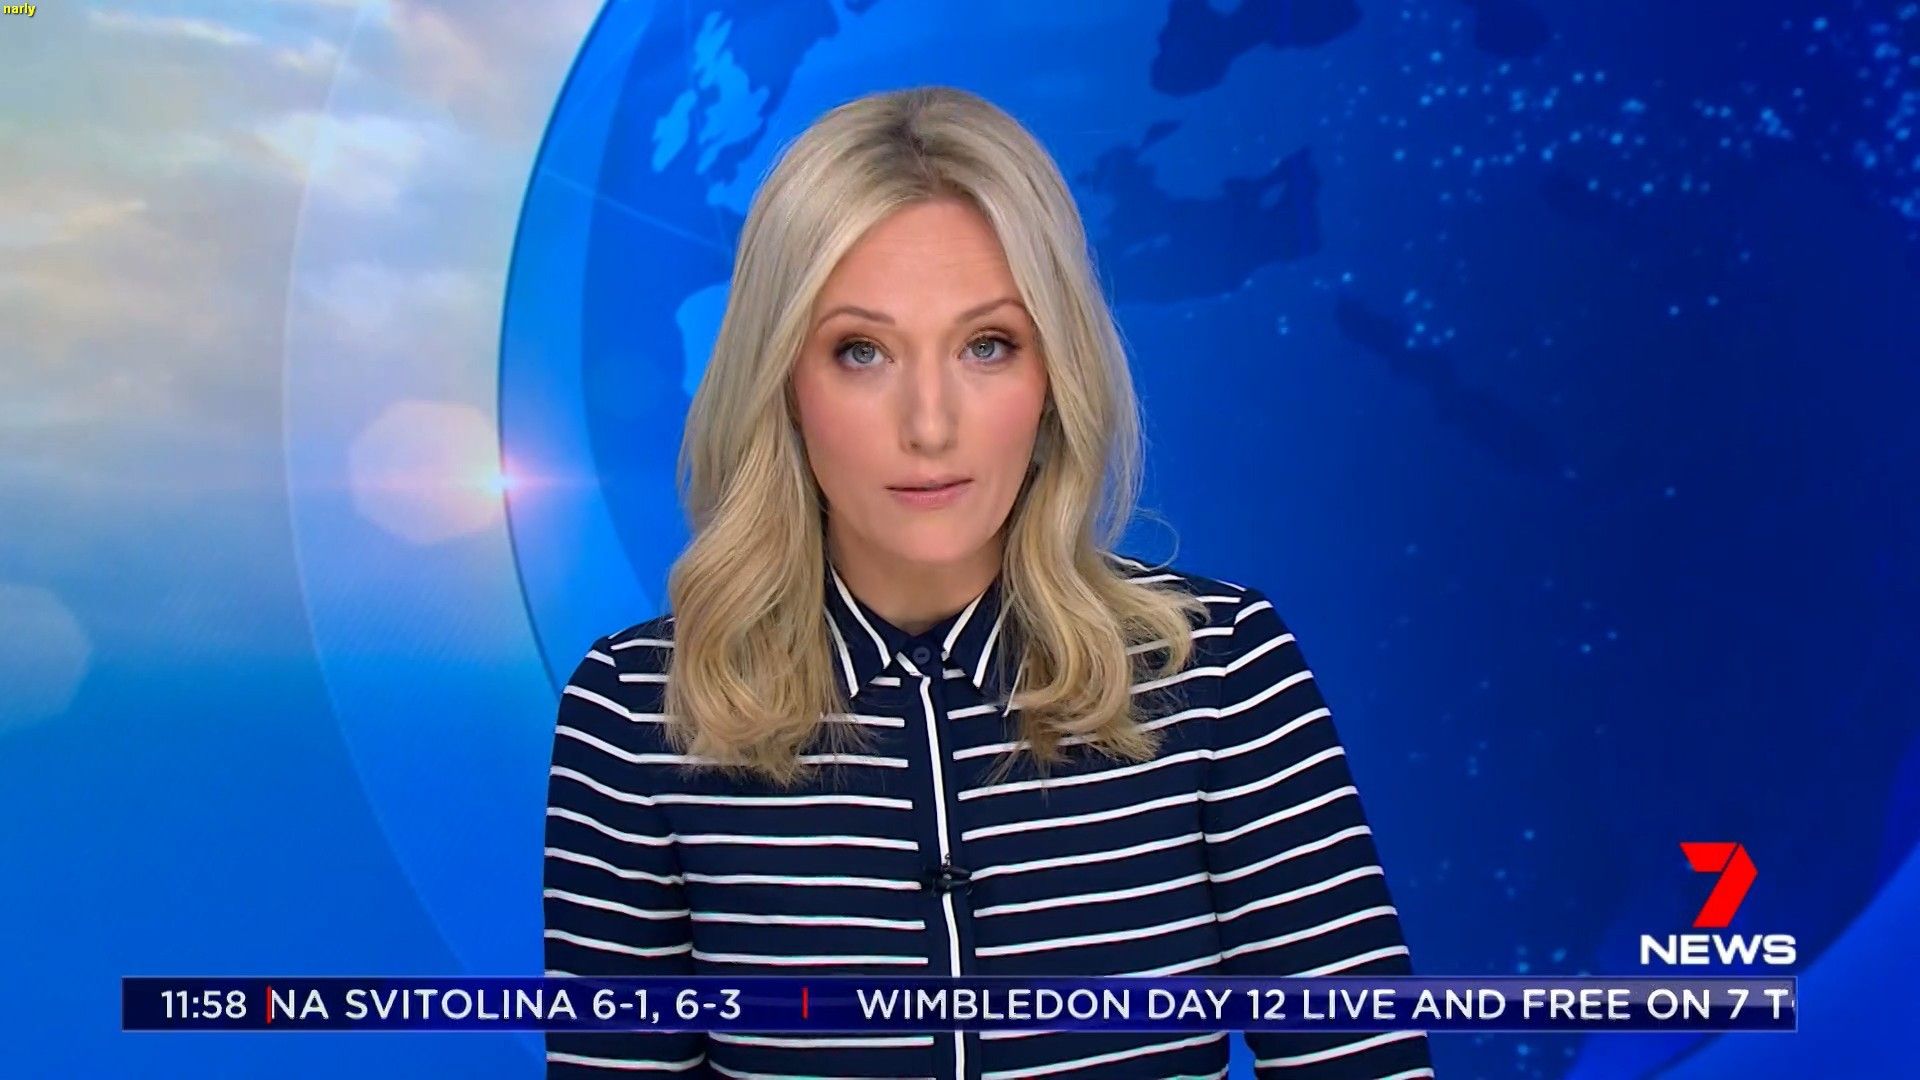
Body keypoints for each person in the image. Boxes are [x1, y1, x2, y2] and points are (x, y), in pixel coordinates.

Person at [542, 85, 1433, 1079]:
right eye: (861, 351)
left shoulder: (1221, 672)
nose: (930, 424)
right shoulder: (635, 716)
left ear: (1053, 375)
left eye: (987, 346)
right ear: (782, 382)